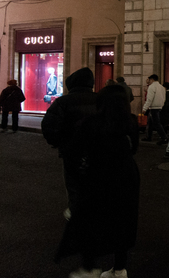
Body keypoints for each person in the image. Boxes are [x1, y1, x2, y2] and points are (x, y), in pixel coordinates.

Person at [54, 85, 140, 278]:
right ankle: (119, 269)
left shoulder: (91, 123)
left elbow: (73, 152)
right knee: (122, 220)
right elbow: (134, 148)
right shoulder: (131, 122)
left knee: (90, 220)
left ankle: (89, 267)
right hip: (127, 175)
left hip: (98, 175)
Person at [42, 67, 98, 221]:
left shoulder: (64, 102)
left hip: (72, 150)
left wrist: (59, 143)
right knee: (94, 180)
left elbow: (49, 127)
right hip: (97, 149)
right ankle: (93, 211)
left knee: (73, 182)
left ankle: (76, 212)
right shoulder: (100, 99)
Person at [142, 74, 168, 145]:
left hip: (153, 107)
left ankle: (164, 137)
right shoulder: (161, 87)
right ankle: (149, 137)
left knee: (156, 123)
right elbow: (164, 98)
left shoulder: (151, 87)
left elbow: (149, 99)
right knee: (150, 123)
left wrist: (145, 108)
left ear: (152, 79)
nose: (149, 81)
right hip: (159, 107)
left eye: (149, 80)